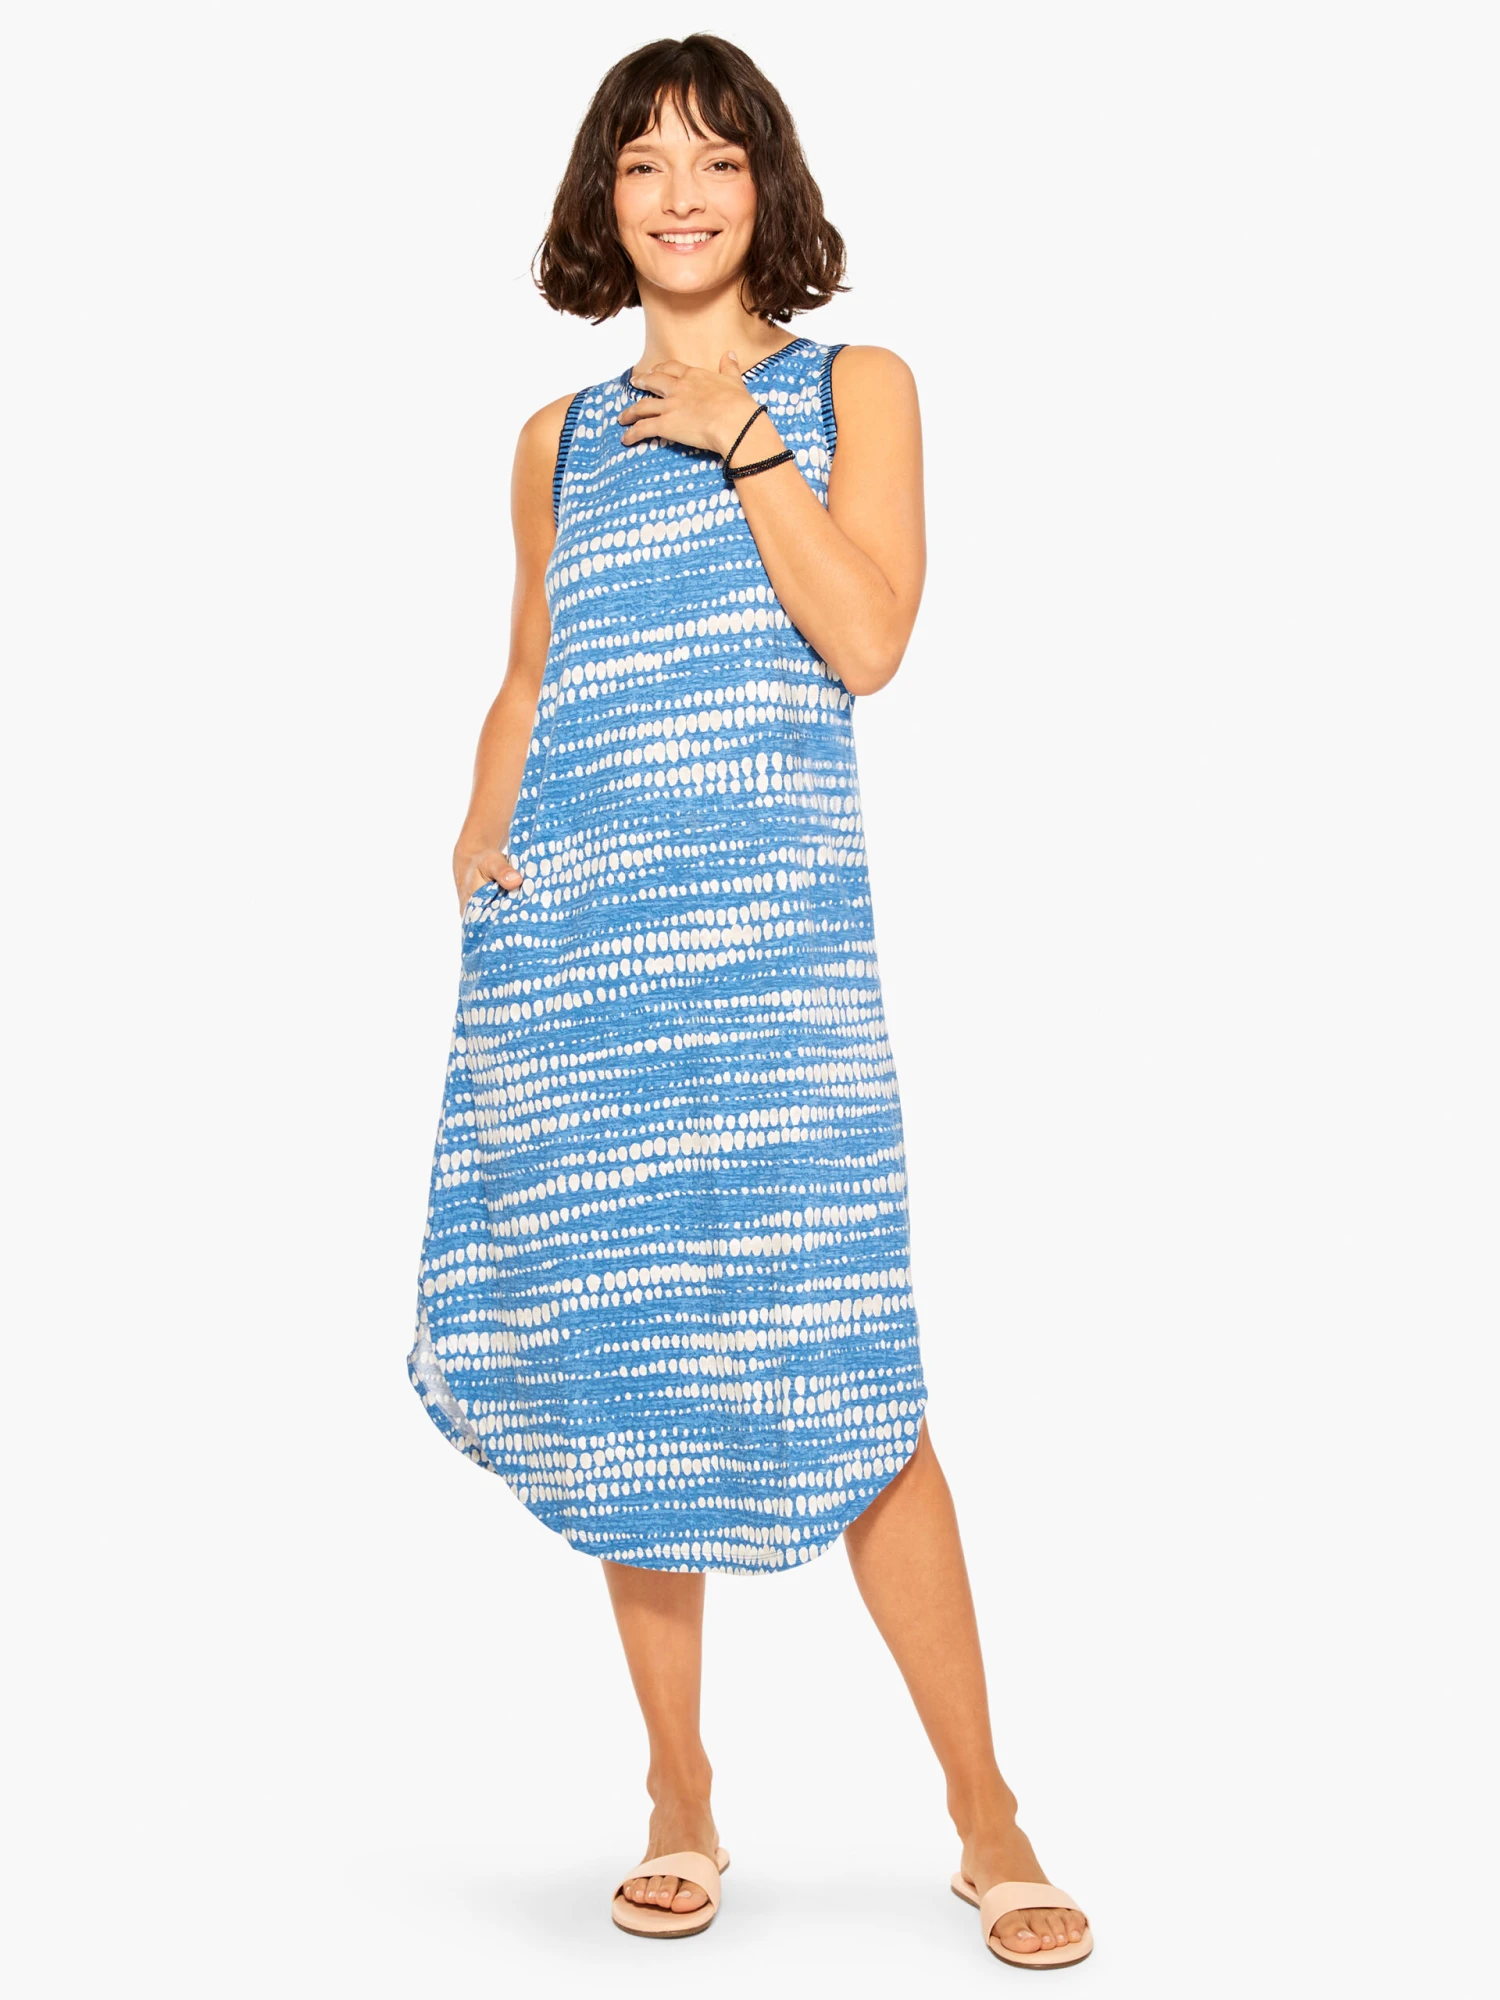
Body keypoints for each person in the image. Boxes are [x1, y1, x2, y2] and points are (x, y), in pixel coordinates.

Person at [408, 33, 1092, 1969]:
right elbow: (531, 671)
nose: (682, 195)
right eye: (644, 164)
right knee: (634, 1369)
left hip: (780, 983)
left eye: (716, 159)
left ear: (766, 186)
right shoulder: (551, 440)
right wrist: (477, 832)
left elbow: (869, 640)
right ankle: (679, 1793)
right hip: (580, 967)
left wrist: (743, 440)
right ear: (603, 203)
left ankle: (987, 1811)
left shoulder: (855, 389)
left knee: (856, 1374)